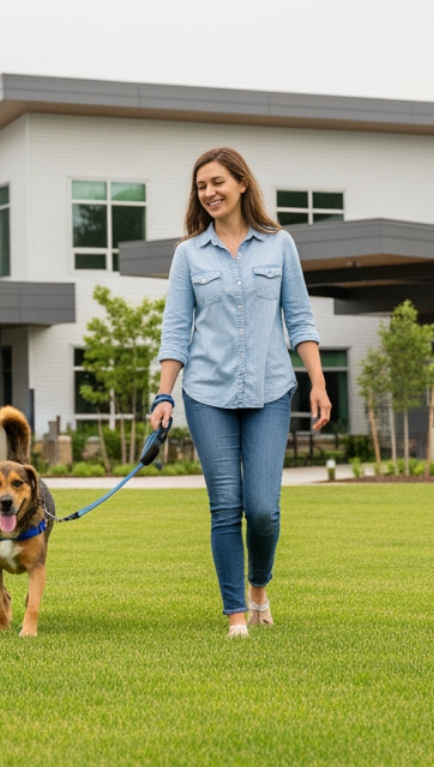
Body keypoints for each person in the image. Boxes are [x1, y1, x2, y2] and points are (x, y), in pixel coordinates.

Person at [150, 147, 331, 638]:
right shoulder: (188, 254)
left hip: (271, 390)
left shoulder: (279, 244)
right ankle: (236, 617)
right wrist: (164, 395)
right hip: (207, 393)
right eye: (201, 186)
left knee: (263, 509)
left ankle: (258, 589)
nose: (209, 192)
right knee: (225, 505)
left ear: (242, 184)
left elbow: (299, 318)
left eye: (217, 182)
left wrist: (317, 381)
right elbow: (175, 330)